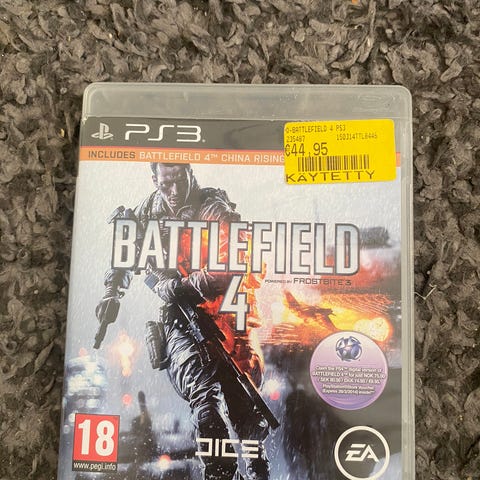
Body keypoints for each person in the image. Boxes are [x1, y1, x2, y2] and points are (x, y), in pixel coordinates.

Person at [96, 163, 270, 480]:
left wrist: (179, 287)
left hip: (229, 314)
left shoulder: (213, 209)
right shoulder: (148, 211)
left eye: (179, 181)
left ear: (190, 174)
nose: (174, 192)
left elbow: (231, 267)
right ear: (155, 180)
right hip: (183, 319)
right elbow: (125, 253)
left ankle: (257, 469)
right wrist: (112, 293)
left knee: (246, 410)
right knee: (205, 403)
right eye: (166, 184)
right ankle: (220, 474)